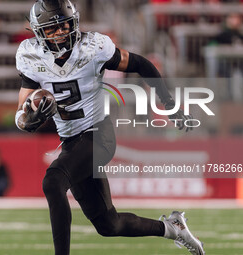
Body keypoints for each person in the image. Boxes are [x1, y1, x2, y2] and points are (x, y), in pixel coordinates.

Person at [14, 1, 204, 255]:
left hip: (98, 134)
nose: (61, 31)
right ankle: (172, 228)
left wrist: (168, 104)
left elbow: (141, 64)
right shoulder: (29, 56)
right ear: (39, 32)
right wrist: (29, 119)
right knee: (108, 224)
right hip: (72, 143)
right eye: (53, 28)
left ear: (74, 22)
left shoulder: (93, 47)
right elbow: (21, 113)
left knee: (53, 182)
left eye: (64, 24)